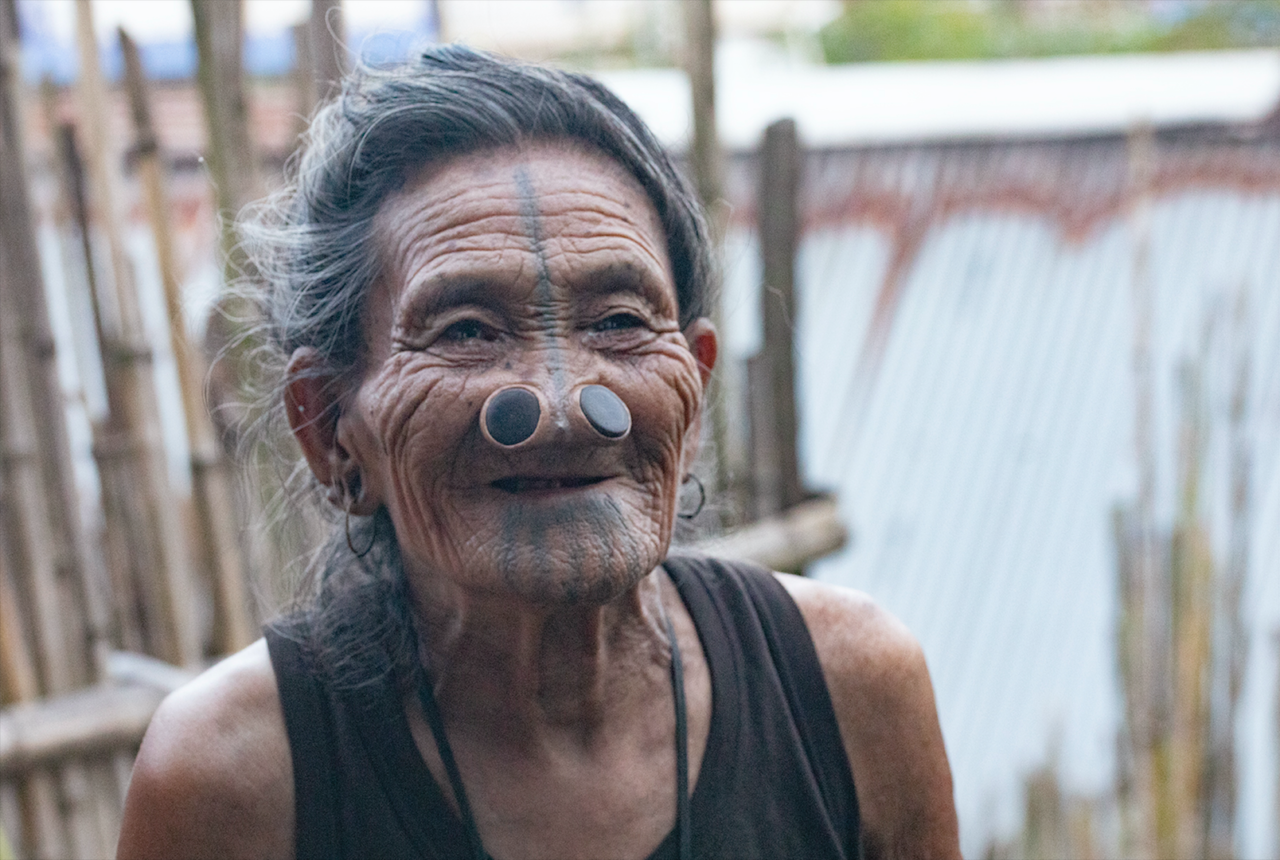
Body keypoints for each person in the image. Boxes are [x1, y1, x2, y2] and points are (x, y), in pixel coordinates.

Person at [116, 46, 959, 860]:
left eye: (620, 322)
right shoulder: (236, 778)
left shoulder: (845, 692)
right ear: (330, 426)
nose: (560, 406)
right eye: (468, 331)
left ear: (692, 396)